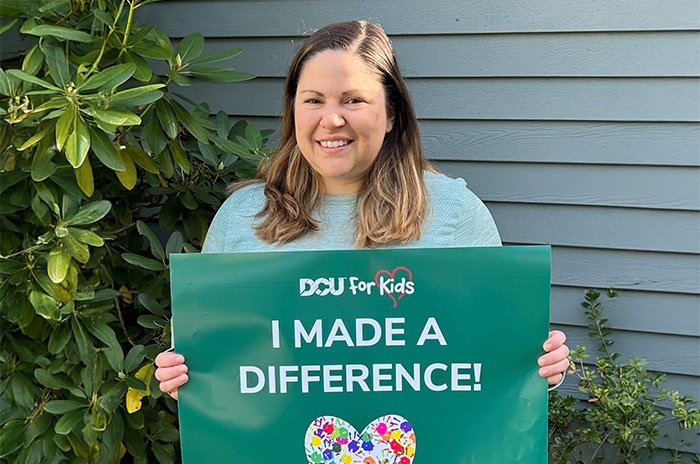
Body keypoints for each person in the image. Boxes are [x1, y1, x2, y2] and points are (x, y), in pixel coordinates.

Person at [155, 20, 569, 399]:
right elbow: (218, 367)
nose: (331, 118)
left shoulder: (455, 213)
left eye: (353, 99)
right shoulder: (242, 218)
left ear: (391, 113)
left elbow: (493, 358)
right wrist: (185, 378)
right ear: (293, 110)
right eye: (313, 99)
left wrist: (540, 367)